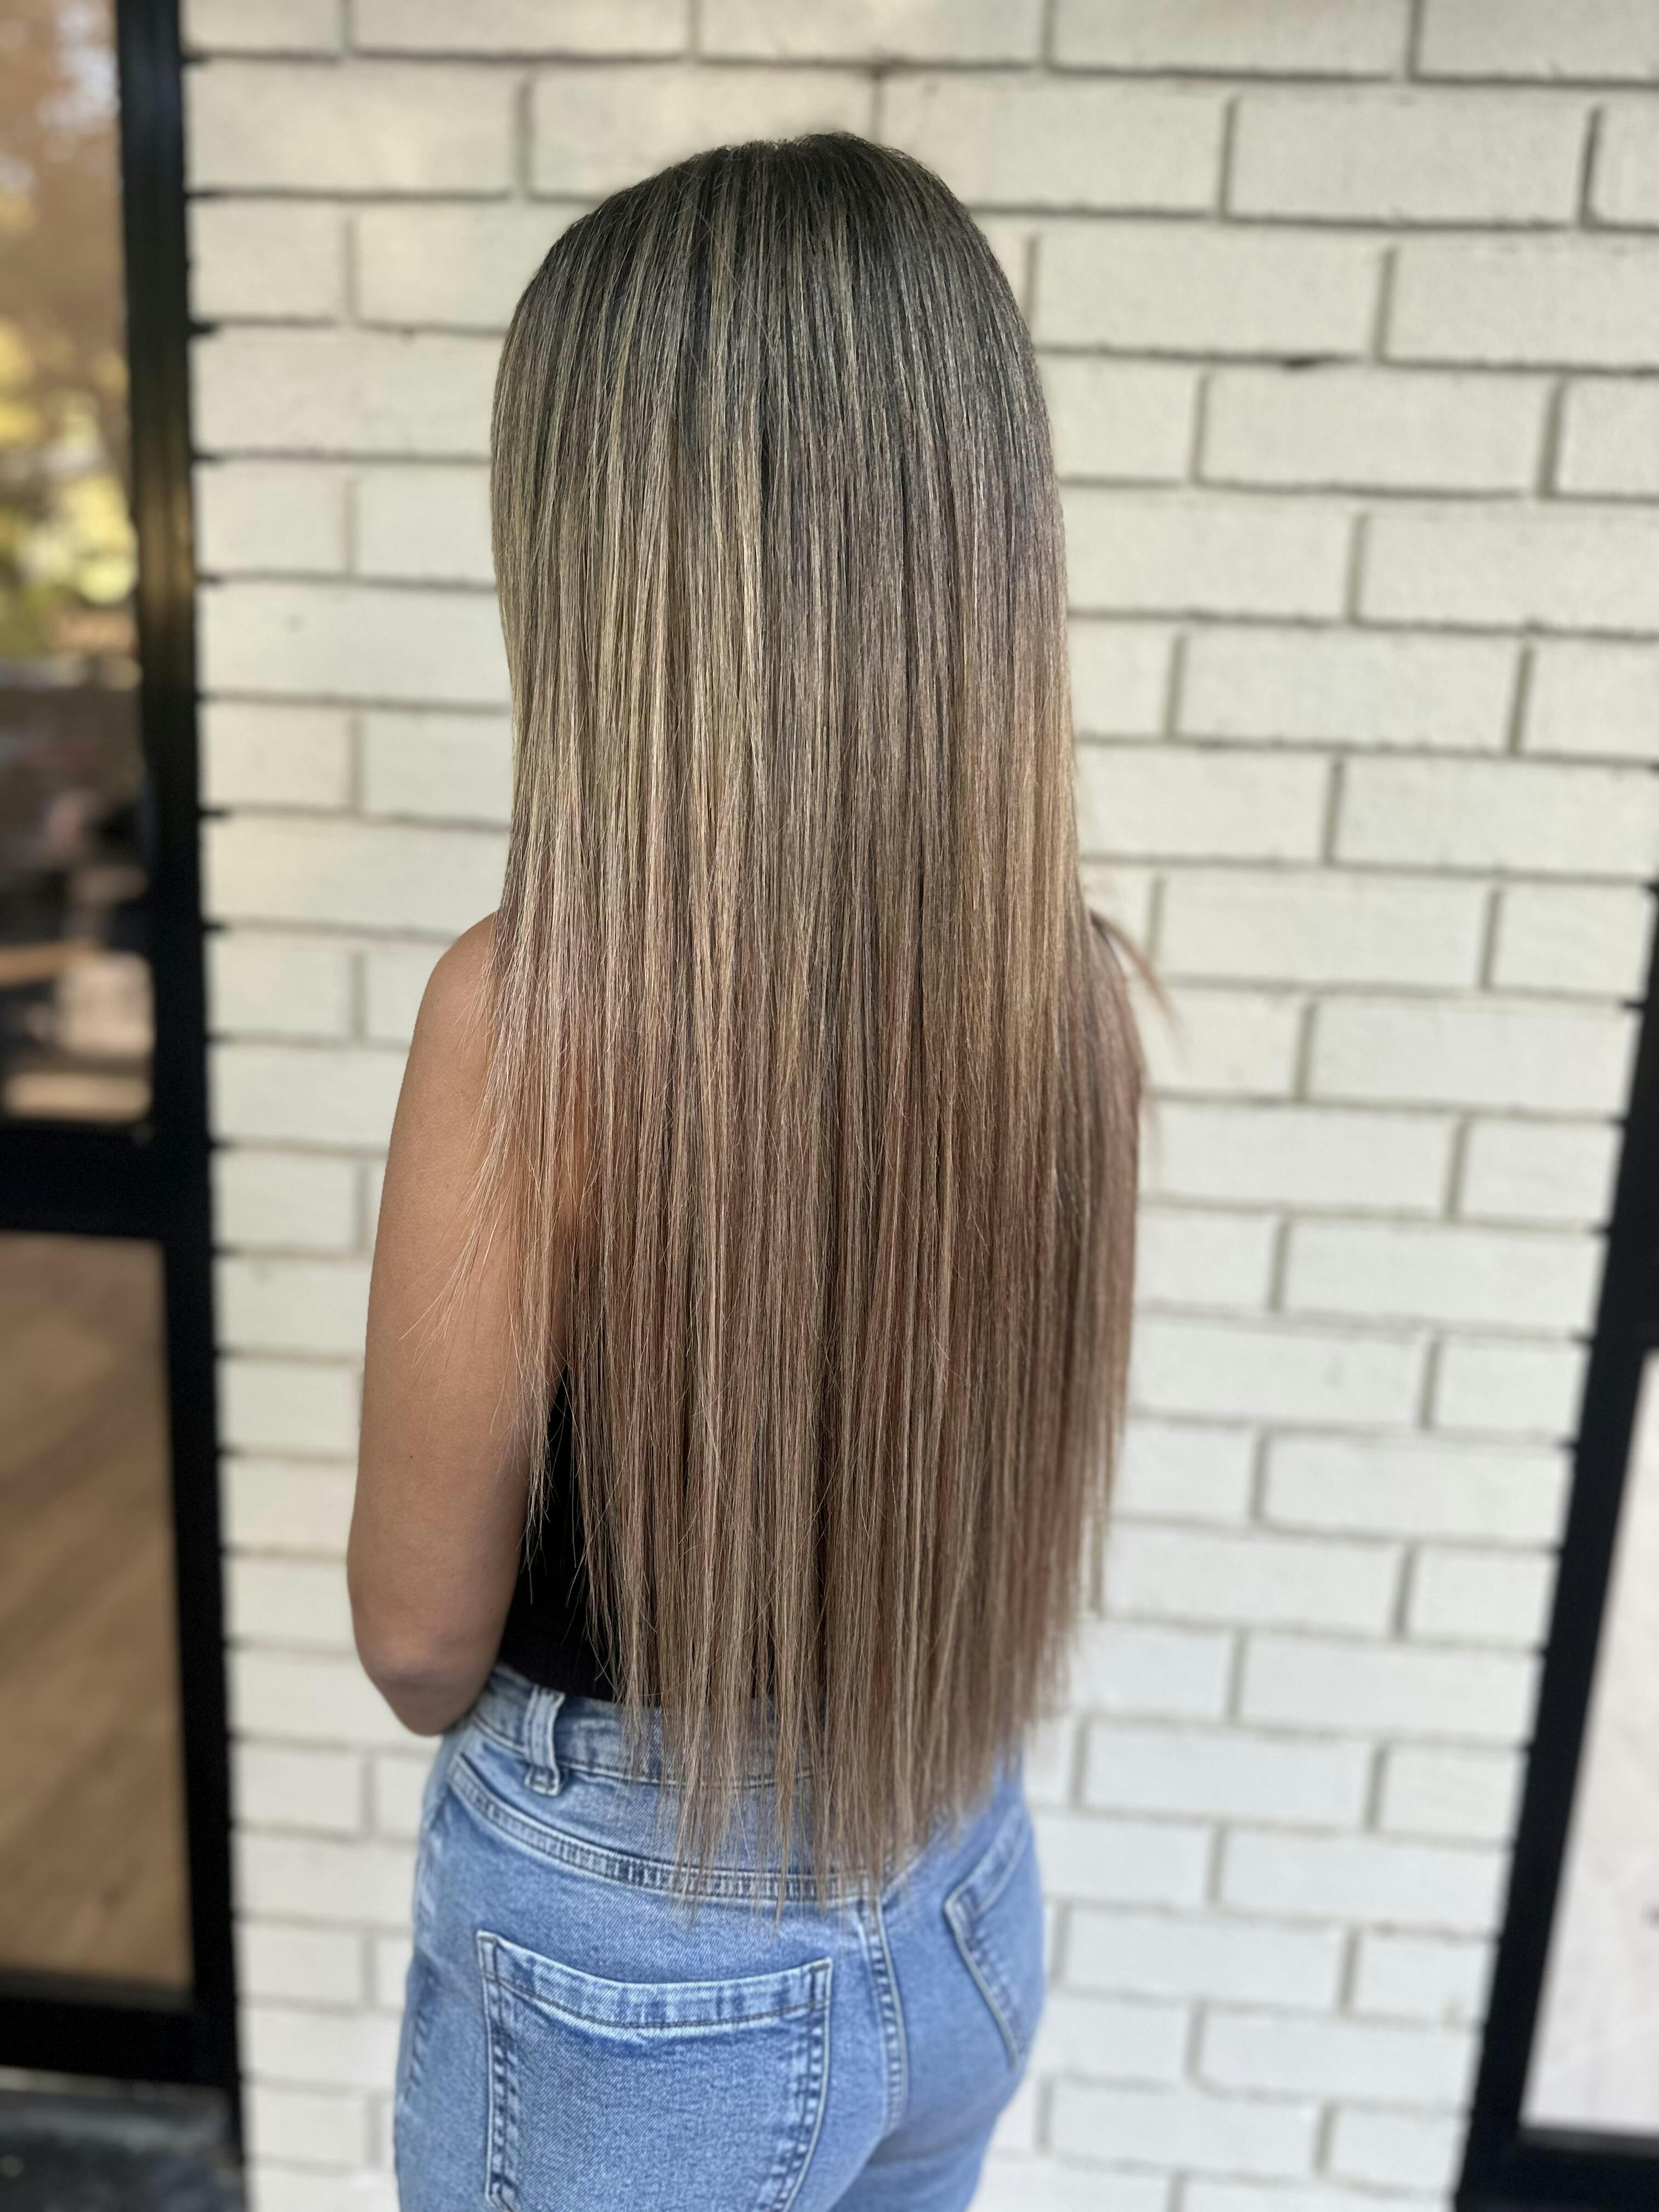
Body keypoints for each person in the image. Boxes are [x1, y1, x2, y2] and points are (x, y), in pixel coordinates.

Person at [347, 131, 1141, 2212]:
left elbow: (420, 1639)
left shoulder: (528, 1016)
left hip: (637, 1985)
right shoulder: (1062, 990)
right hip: (960, 1890)